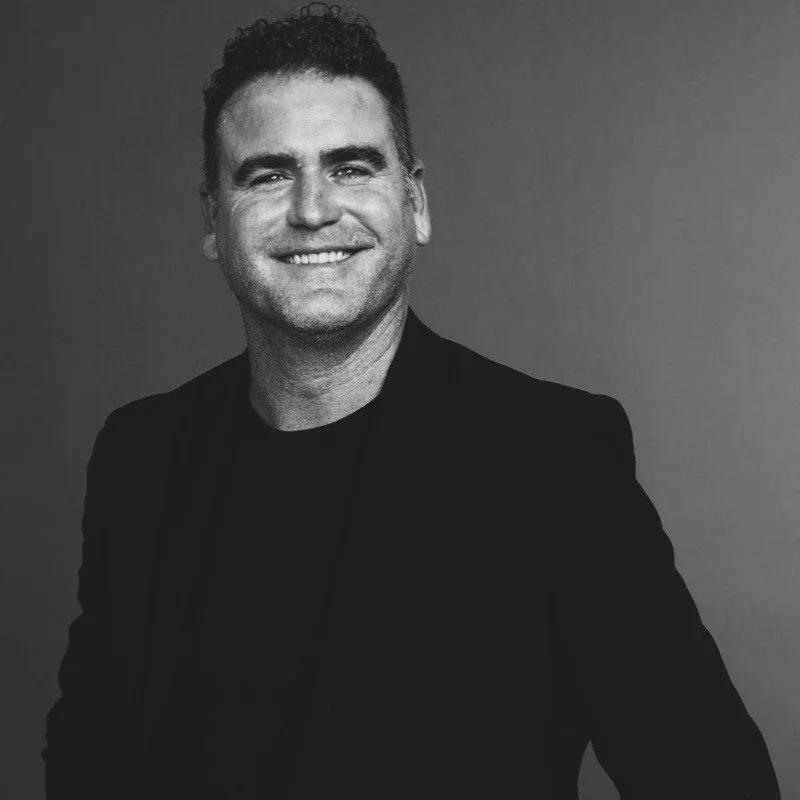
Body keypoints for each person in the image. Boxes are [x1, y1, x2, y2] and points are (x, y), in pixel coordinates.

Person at [43, 5, 781, 798]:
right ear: (213, 220)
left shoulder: (555, 460)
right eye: (269, 173)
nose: (313, 208)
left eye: (352, 167)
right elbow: (88, 766)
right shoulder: (142, 458)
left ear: (416, 204)